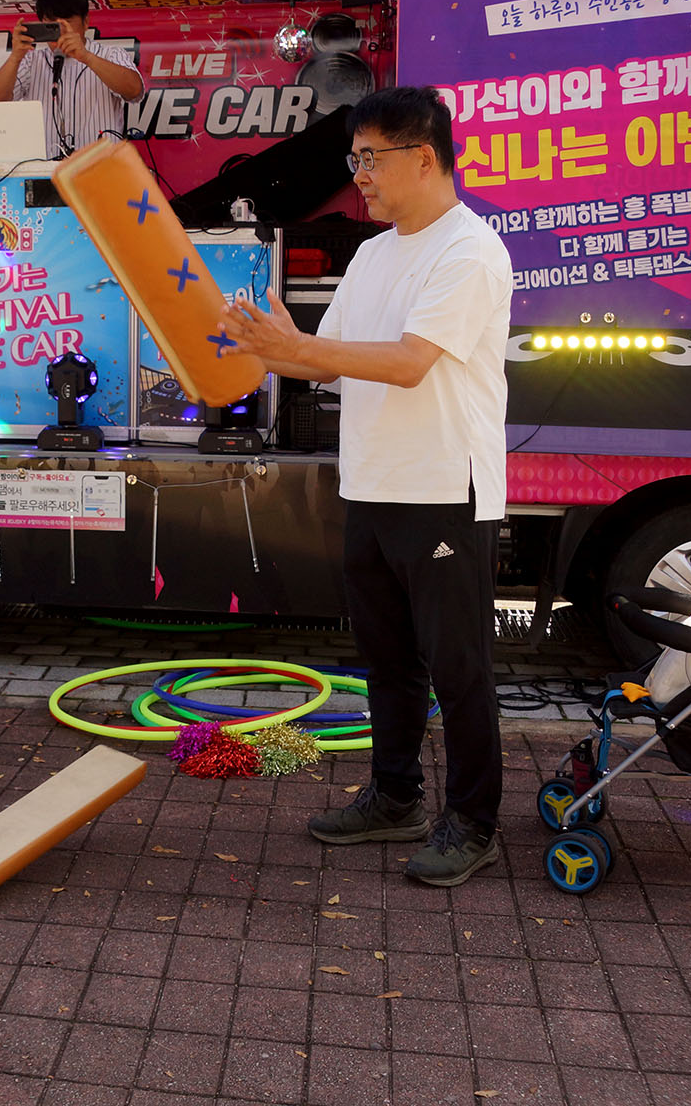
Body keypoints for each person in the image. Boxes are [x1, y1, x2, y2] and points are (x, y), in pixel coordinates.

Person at [217, 86, 511, 887]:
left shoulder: (470, 250)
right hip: (374, 484)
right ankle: (395, 797)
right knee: (387, 661)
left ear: (426, 158)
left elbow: (410, 363)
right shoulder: (377, 252)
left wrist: (298, 349)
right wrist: (259, 343)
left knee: (459, 668)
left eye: (371, 159)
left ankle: (474, 822)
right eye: (355, 160)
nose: (360, 177)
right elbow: (326, 360)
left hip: (445, 488)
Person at [0, 0, 144, 158]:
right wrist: (15, 57)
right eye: (52, 25)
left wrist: (86, 57)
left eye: (67, 22)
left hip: (100, 167)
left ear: (86, 22)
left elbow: (134, 91)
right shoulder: (30, 60)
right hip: (44, 169)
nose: (61, 32)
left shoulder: (109, 54)